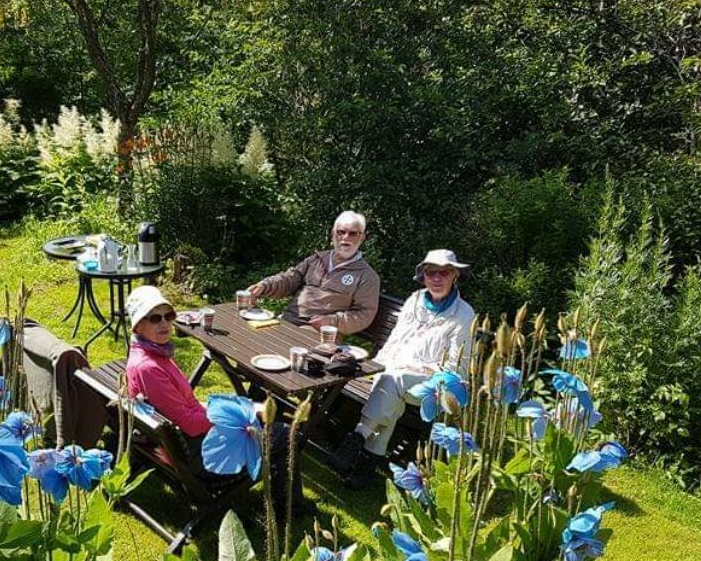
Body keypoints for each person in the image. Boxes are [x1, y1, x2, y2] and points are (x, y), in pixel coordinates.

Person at [124, 285, 311, 515]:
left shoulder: (149, 354)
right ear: (138, 325)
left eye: (168, 315)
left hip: (180, 445)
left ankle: (287, 501)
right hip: (199, 459)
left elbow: (183, 408)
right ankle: (292, 509)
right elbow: (191, 424)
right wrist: (245, 413)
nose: (164, 323)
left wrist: (239, 409)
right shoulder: (149, 368)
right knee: (284, 433)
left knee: (262, 418)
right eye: (154, 318)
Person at [330, 249, 476, 487]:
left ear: (455, 275)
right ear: (424, 276)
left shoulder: (464, 314)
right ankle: (367, 463)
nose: (437, 278)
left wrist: (420, 370)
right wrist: (377, 364)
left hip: (432, 386)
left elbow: (455, 369)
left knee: (392, 381)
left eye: (444, 272)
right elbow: (395, 340)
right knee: (390, 386)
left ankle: (357, 437)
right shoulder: (415, 300)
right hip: (391, 373)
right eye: (431, 272)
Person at [247, 210, 380, 334]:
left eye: (353, 233)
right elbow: (290, 279)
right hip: (287, 320)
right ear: (333, 234)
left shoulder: (367, 276)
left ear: (361, 238)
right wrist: (264, 286)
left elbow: (364, 314)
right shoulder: (316, 259)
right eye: (341, 232)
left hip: (319, 332)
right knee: (246, 332)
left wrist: (332, 321)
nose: (346, 238)